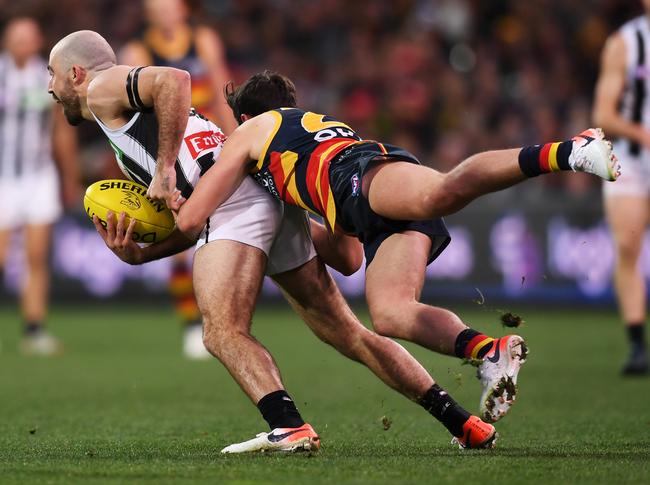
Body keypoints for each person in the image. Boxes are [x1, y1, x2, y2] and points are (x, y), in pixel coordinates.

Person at [48, 30, 510, 453]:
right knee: (350, 334)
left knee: (222, 330)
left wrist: (165, 167)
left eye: (53, 73)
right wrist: (143, 254)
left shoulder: (100, 86)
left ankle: (289, 426)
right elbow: (191, 222)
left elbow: (173, 79)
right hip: (258, 196)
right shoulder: (126, 112)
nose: (50, 87)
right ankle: (463, 422)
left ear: (76, 72)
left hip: (231, 203)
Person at [175, 71, 620, 423]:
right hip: (362, 211)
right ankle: (489, 353)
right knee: (390, 313)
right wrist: (293, 230)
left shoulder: (256, 131)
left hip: (362, 177)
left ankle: (568, 151)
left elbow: (194, 218)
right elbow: (349, 260)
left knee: (441, 192)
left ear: (244, 118)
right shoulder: (295, 138)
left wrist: (173, 199)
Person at [119, 0, 237, 359]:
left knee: (223, 234)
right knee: (180, 238)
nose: (165, 13)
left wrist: (238, 142)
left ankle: (223, 319)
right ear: (148, 15)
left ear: (182, 9)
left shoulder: (203, 40)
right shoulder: (138, 50)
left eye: (169, 6)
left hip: (209, 144)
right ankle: (191, 323)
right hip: (171, 154)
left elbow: (221, 92)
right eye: (157, 8)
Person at [0, 17, 80, 356]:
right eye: (16, 37)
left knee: (36, 256)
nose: (22, 43)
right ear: (6, 41)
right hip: (3, 177)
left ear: (37, 43)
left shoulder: (46, 79)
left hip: (39, 176)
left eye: (28, 38)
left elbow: (61, 131)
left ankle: (34, 328)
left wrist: (70, 178)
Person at [593, 3, 650, 375]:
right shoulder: (626, 43)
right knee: (628, 246)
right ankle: (637, 344)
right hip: (632, 160)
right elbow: (603, 115)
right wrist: (643, 134)